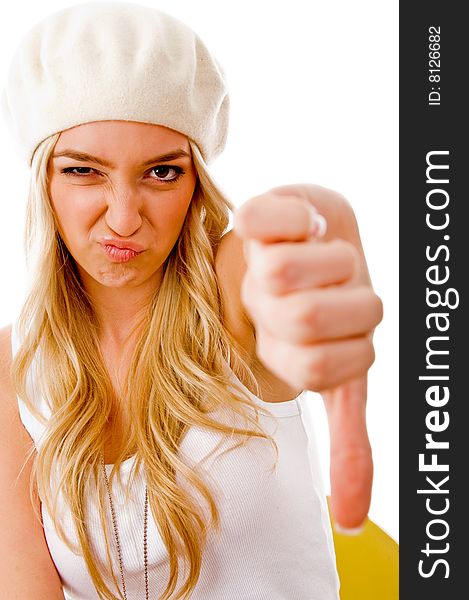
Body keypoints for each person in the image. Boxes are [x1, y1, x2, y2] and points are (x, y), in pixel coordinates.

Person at [0, 2, 383, 599]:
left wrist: (323, 223)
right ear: (43, 183)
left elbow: (302, 225)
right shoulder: (15, 364)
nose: (123, 218)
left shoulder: (231, 291)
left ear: (197, 181)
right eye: (84, 171)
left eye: (161, 174)